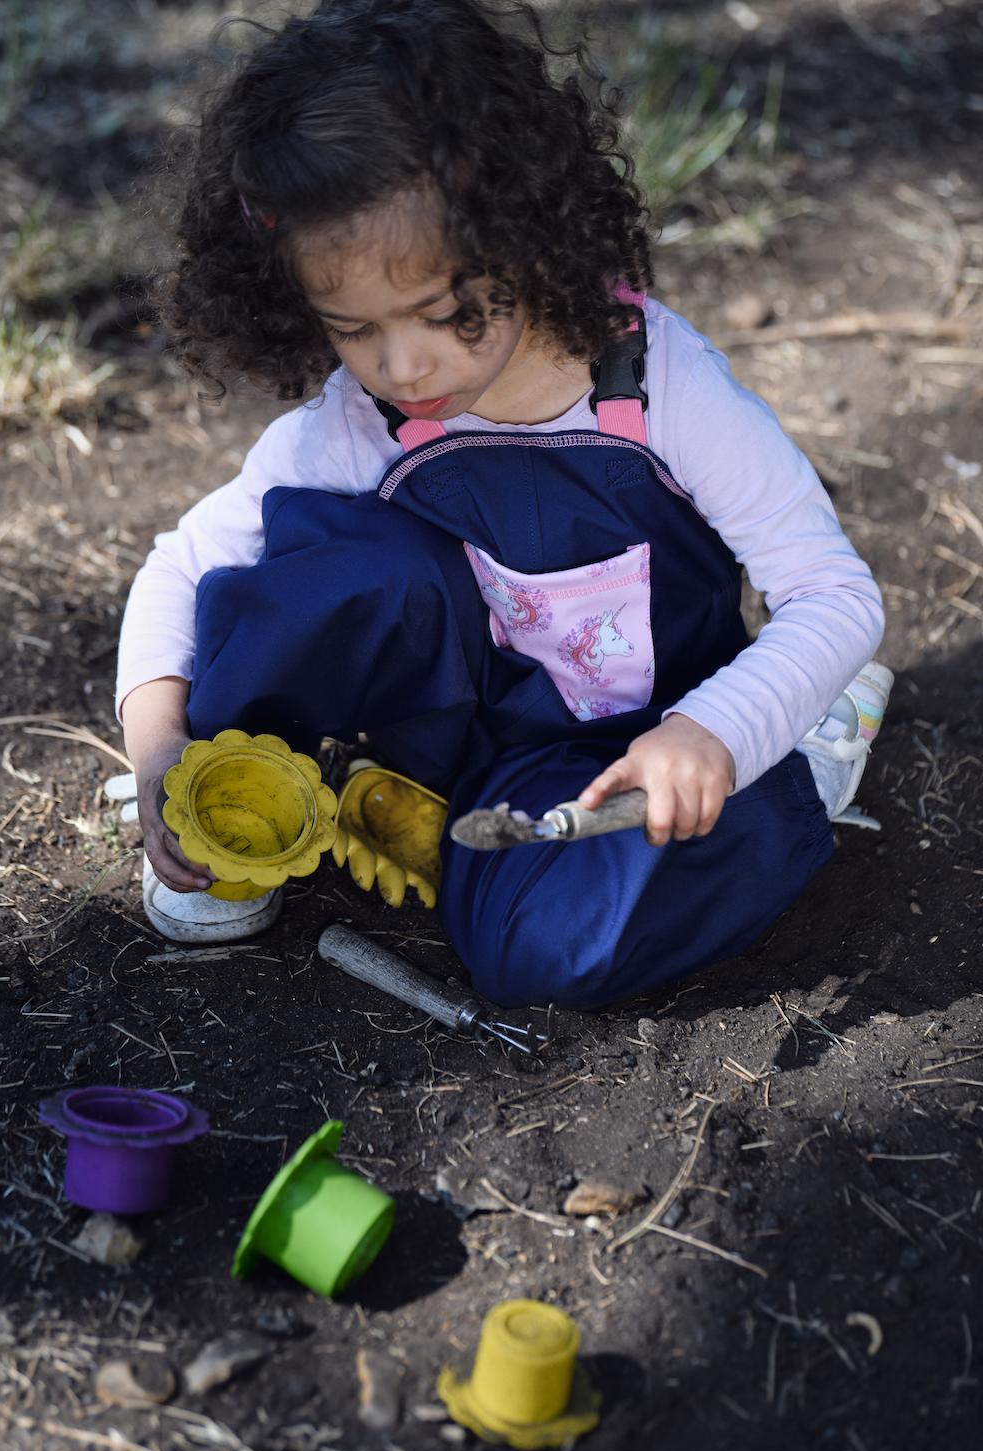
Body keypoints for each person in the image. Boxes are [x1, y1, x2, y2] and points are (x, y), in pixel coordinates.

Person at [116, 0, 891, 1008]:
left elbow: (833, 592)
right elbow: (185, 568)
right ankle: (239, 815)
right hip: (466, 738)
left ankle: (801, 762)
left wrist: (719, 731)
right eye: (353, 328)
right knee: (325, 569)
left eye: (445, 313)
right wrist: (161, 754)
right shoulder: (363, 418)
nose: (403, 364)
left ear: (523, 231)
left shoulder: (657, 385)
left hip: (646, 742)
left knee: (544, 951)